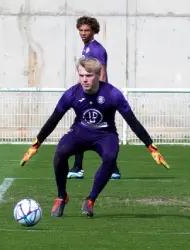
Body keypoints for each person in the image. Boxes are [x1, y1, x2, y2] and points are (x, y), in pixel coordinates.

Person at [20, 58, 169, 217]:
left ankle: (90, 200)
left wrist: (150, 146)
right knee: (60, 153)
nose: (84, 79)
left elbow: (132, 120)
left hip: (105, 135)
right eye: (81, 75)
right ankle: (62, 196)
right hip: (79, 133)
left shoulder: (113, 94)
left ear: (99, 75)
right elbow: (54, 119)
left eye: (89, 75)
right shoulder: (71, 94)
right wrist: (36, 144)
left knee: (110, 157)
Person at [68, 16, 122, 180]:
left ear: (94, 31)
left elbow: (102, 73)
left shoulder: (95, 49)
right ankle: (111, 169)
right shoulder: (87, 49)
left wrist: (102, 96)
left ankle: (78, 168)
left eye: (87, 30)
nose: (83, 33)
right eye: (81, 30)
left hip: (98, 97)